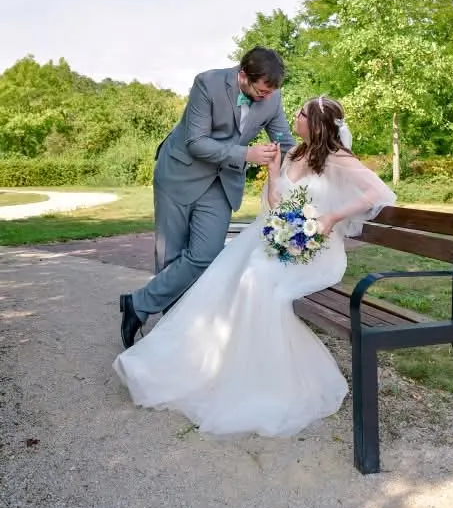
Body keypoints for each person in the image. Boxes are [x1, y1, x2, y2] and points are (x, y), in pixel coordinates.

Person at [113, 96, 396, 437]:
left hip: (316, 251)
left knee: (254, 277)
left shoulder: (338, 159)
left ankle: (254, 380)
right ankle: (208, 364)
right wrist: (274, 171)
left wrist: (331, 217)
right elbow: (276, 203)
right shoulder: (295, 153)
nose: (295, 116)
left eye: (302, 113)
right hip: (280, 239)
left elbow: (379, 191)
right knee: (226, 270)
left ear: (316, 124)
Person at [119, 46, 295, 349]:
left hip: (222, 181)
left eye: (271, 93)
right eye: (261, 91)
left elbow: (284, 141)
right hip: (180, 173)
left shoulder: (272, 97)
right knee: (171, 255)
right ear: (243, 75)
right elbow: (196, 142)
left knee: (206, 253)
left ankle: (138, 303)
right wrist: (247, 154)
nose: (266, 97)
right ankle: (173, 333)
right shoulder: (207, 83)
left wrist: (319, 158)